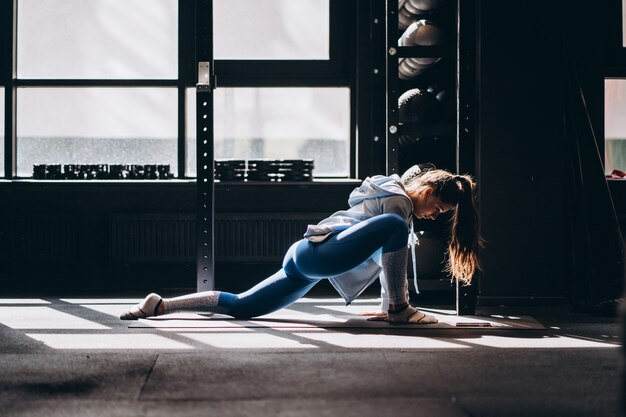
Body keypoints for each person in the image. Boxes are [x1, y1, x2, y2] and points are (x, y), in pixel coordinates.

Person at [121, 165, 481, 324]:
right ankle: (401, 311)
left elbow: (388, 262)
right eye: (437, 208)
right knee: (393, 229)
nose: (434, 216)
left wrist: (388, 304)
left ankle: (161, 304)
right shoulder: (399, 204)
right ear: (428, 191)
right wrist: (398, 307)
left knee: (244, 306)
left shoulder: (394, 201)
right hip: (318, 253)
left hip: (307, 260)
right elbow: (391, 252)